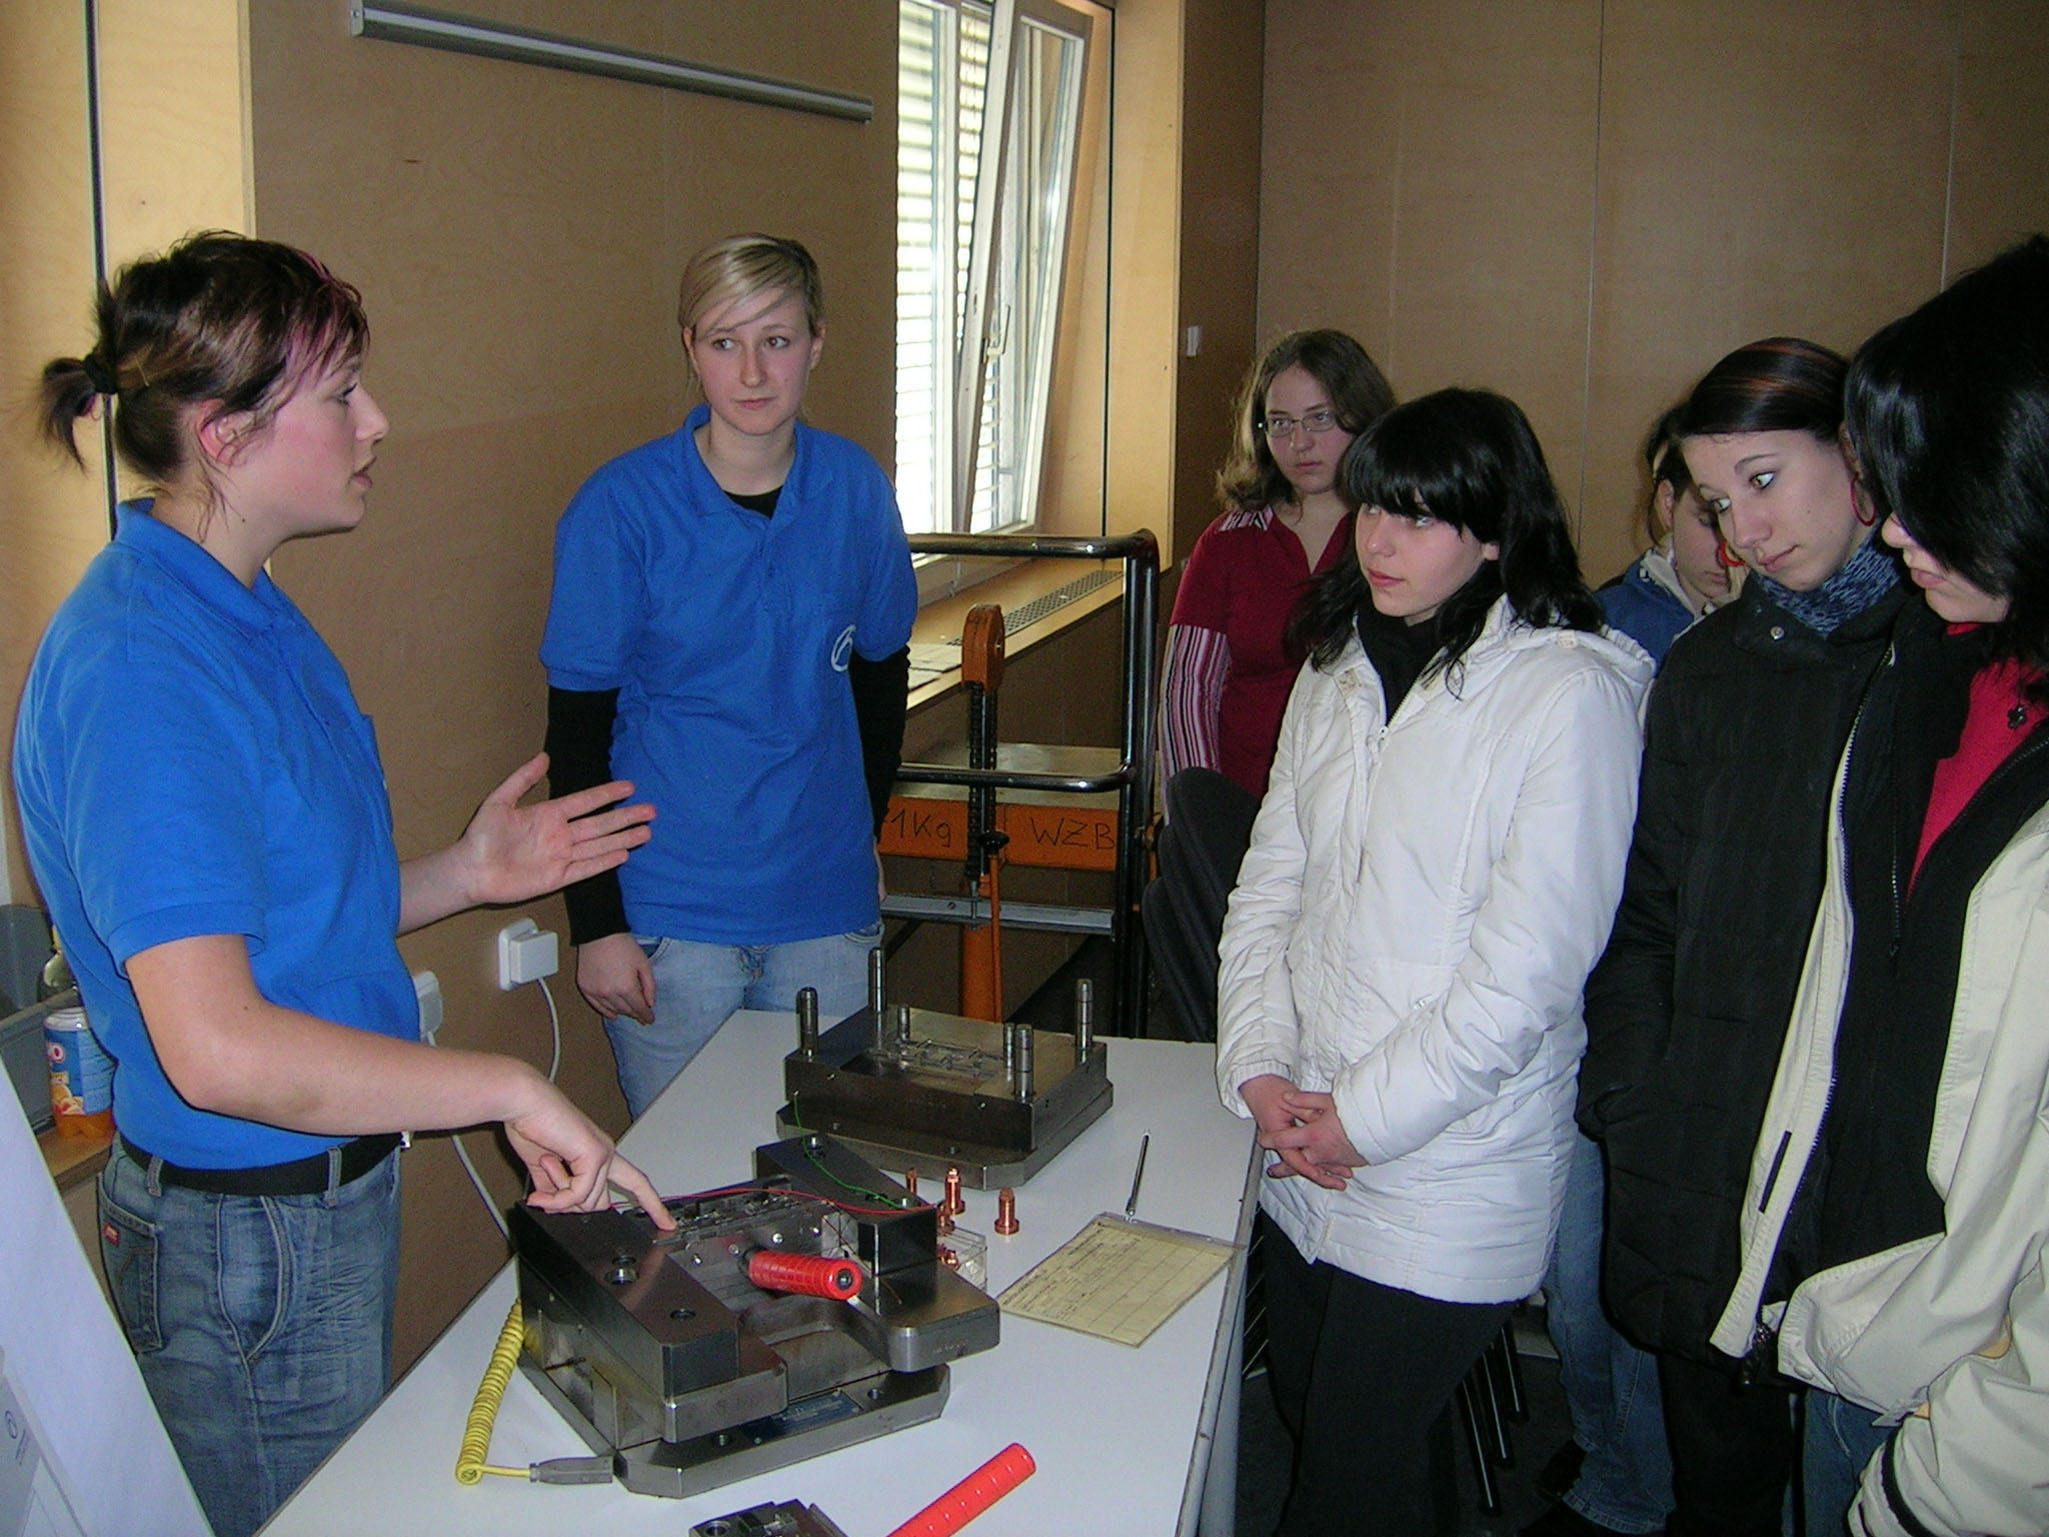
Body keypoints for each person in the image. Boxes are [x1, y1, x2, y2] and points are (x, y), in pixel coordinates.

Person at [15, 231, 673, 1537]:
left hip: (314, 1206)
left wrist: (469, 873)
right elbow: (216, 1047)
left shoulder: (243, 605)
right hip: (244, 1242)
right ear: (225, 437)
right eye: (341, 394)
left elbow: (283, 927)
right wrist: (506, 1083)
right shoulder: (141, 666)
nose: (378, 421)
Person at [1215, 388, 1652, 1536]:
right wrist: (1259, 1066)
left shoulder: (1572, 692)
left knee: (1341, 1477)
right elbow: (1270, 888)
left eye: (1421, 517)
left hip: (1452, 1162)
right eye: (1373, 508)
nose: (1381, 540)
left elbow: (1527, 978)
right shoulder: (1337, 665)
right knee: (1340, 1432)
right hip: (1307, 1134)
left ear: (1496, 532)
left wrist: (1361, 1120)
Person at [1706, 234, 2049, 1537]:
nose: (1896, 528)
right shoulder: (1933, 666)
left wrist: (1944, 1484)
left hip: (1980, 1405)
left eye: (1933, 492)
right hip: (1852, 1295)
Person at [1578, 338, 1910, 1537]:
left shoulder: (1937, 666)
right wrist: (1634, 1091)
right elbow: (1647, 911)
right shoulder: (1708, 668)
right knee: (1716, 1490)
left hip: (1862, 1171)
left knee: (1855, 1491)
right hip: (1698, 1149)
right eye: (1718, 503)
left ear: (1858, 455)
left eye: (1765, 481)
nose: (1742, 534)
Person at [542, 234, 916, 1118]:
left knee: (826, 1164)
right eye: (723, 341)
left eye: (776, 340)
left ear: (816, 343)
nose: (751, 372)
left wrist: (865, 830)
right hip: (673, 920)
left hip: (824, 910)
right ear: (690, 347)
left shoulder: (855, 489)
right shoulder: (622, 507)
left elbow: (879, 677)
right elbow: (577, 734)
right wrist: (596, 922)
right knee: (689, 1177)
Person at [1527, 411, 1734, 1537]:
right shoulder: (1609, 635)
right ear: (1663, 505)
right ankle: (1620, 1466)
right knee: (1587, 1281)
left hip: (1720, 1014)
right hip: (1609, 1000)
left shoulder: (1786, 639)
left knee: (1666, 1288)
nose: (1735, 540)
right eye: (1709, 511)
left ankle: (1636, 1482)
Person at [1160, 328, 1396, 800]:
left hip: (1366, 801)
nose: (1299, 443)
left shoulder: (1397, 537)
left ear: (1362, 417)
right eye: (1280, 424)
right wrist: (1200, 815)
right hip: (1244, 803)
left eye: (1320, 418)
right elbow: (1187, 692)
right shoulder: (1228, 541)